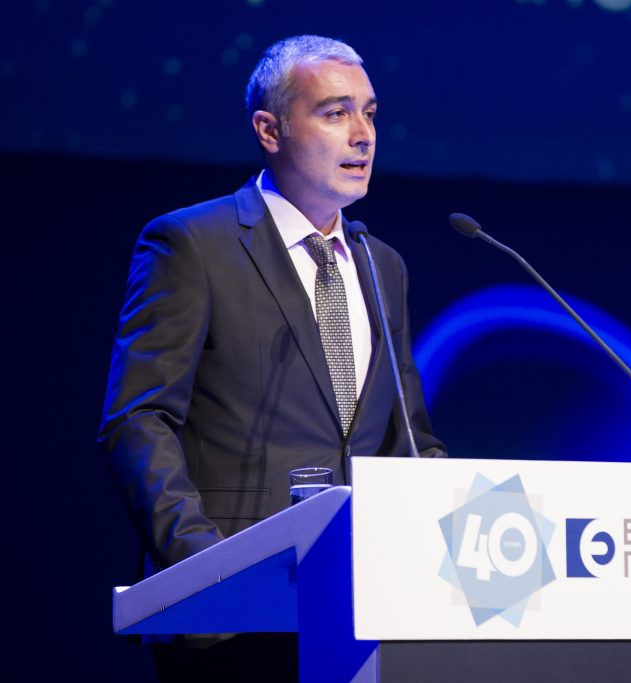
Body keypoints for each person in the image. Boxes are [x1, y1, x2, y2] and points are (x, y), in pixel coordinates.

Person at [98, 35, 445, 680]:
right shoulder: (192, 245)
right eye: (336, 113)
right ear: (269, 130)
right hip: (234, 621)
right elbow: (138, 421)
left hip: (362, 612)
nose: (363, 135)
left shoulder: (381, 265)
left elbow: (410, 441)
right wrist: (206, 566)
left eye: (370, 113)